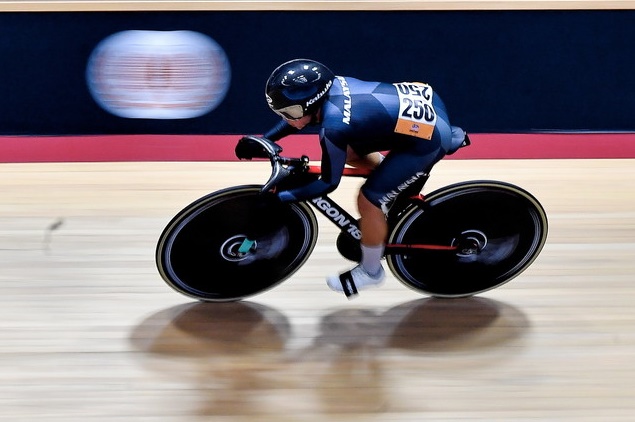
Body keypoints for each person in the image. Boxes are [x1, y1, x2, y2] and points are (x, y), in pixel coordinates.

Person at [254, 58, 467, 297]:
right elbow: (299, 119)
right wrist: (266, 139)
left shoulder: (334, 127)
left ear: (311, 104)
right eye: (280, 112)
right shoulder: (331, 87)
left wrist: (285, 197)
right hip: (425, 104)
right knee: (350, 151)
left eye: (289, 111)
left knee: (367, 200)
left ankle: (371, 271)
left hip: (429, 139)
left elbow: (327, 183)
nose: (286, 118)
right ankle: (391, 182)